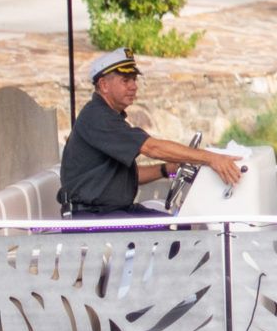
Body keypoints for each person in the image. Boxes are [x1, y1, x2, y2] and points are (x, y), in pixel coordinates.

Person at [60, 47, 246, 219]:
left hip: (111, 211)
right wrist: (211, 158)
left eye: (134, 79)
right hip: (93, 217)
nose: (134, 86)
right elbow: (151, 147)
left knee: (180, 226)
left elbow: (123, 178)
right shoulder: (97, 117)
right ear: (103, 85)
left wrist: (168, 169)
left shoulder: (108, 117)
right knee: (176, 237)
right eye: (126, 80)